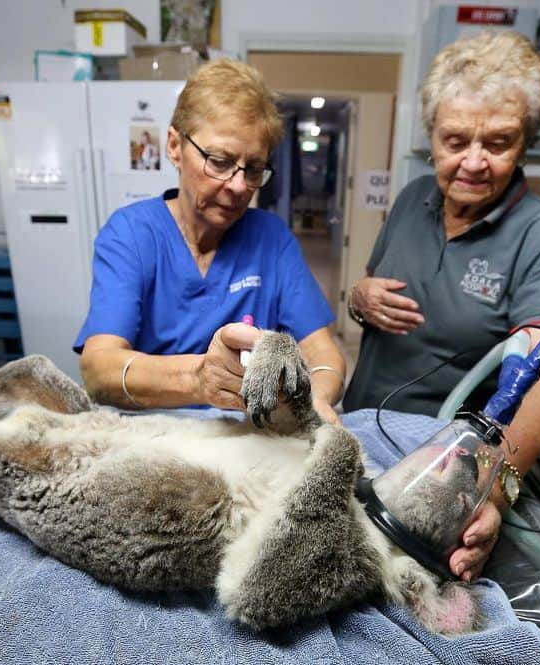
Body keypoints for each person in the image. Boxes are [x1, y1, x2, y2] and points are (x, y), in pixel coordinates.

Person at [342, 31, 540, 581]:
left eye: (498, 143)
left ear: (525, 142)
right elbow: (372, 287)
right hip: (357, 434)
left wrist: (494, 491)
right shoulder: (411, 199)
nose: (473, 163)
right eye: (455, 141)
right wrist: (358, 298)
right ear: (431, 138)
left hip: (438, 472)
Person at [74, 60, 345, 424]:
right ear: (174, 146)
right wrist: (199, 380)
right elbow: (98, 368)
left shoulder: (271, 239)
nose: (238, 187)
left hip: (244, 438)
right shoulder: (131, 235)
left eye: (252, 169)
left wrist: (318, 400)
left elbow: (325, 355)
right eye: (219, 162)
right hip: (151, 433)